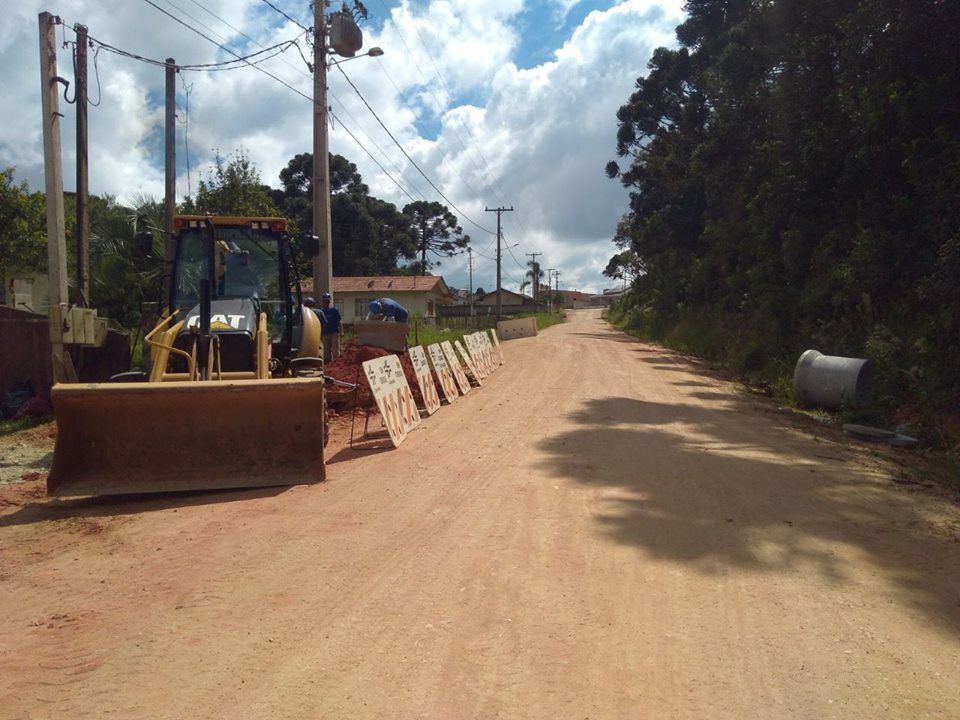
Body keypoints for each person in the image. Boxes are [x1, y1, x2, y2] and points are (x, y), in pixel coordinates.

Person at [320, 292, 342, 363]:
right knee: (326, 352)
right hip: (325, 334)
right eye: (325, 301)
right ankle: (328, 366)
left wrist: (342, 331)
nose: (326, 302)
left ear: (329, 301)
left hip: (334, 333)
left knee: (335, 350)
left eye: (327, 300)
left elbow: (339, 321)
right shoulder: (321, 312)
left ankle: (337, 364)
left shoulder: (334, 310)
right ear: (323, 301)